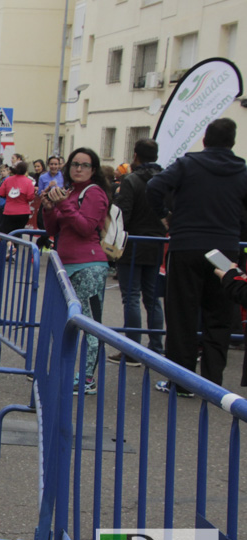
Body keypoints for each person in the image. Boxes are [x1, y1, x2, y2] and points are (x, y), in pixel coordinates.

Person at [147, 118, 247, 396]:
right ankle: (213, 383)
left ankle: (182, 381)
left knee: (182, 313)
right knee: (220, 314)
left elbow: (154, 187)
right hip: (225, 251)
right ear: (232, 142)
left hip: (187, 245)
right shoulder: (242, 170)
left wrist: (166, 217)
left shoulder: (187, 164)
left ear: (205, 139)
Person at [41, 148, 111, 395]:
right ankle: (62, 369)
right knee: (62, 322)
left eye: (85, 165)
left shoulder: (95, 193)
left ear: (93, 169)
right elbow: (53, 228)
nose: (78, 169)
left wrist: (63, 205)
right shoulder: (68, 192)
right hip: (64, 266)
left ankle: (87, 378)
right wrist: (49, 207)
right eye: (75, 164)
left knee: (89, 323)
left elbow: (84, 227)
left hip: (89, 266)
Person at [109, 138, 165, 366]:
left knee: (131, 296)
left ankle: (132, 349)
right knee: (152, 298)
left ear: (135, 156)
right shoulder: (164, 179)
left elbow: (123, 214)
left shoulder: (131, 180)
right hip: (156, 242)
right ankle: (156, 347)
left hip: (132, 243)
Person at [0, 161, 35, 234]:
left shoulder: (7, 180)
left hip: (9, 211)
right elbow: (30, 197)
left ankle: (8, 245)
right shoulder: (28, 181)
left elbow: (1, 193)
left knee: (8, 234)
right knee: (18, 234)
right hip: (23, 212)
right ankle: (16, 245)